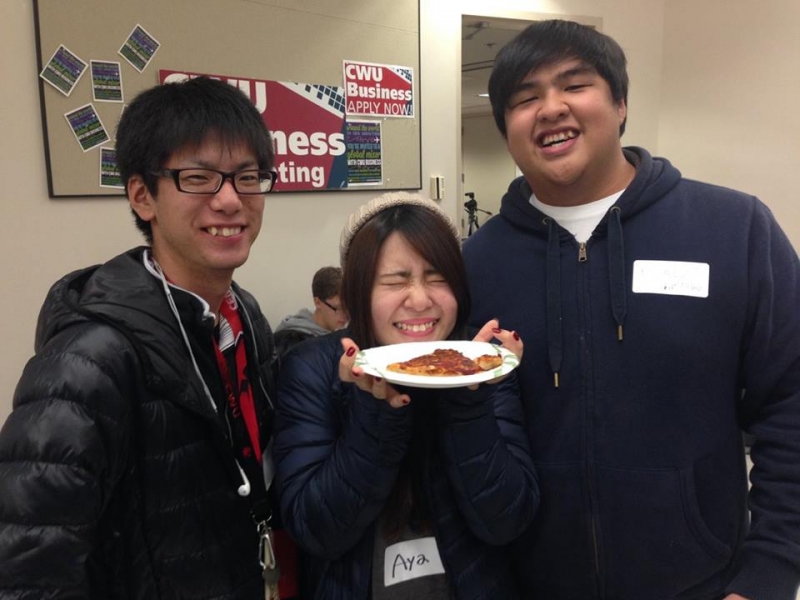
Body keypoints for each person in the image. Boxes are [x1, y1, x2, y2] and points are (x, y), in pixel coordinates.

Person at [462, 19, 800, 600]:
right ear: (506, 130)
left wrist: (770, 571)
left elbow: (791, 402)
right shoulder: (479, 262)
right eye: (524, 98)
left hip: (706, 583)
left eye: (574, 85)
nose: (550, 108)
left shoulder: (734, 228)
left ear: (620, 104)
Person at [0, 77, 294, 599]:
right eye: (198, 178)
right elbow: (29, 570)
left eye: (248, 177)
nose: (230, 201)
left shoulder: (241, 315)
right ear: (143, 197)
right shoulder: (87, 362)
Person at [273, 192, 539, 599]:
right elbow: (316, 530)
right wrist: (374, 414)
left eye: (437, 278)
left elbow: (508, 520)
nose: (419, 300)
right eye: (396, 280)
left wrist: (469, 400)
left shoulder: (480, 363)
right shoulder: (311, 368)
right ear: (359, 291)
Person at [274, 266, 347, 357]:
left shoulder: (339, 335)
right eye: (339, 308)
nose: (345, 316)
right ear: (318, 303)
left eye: (348, 308)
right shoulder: (293, 342)